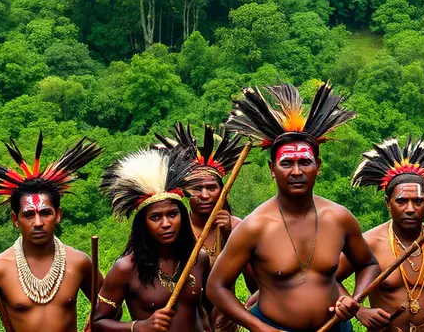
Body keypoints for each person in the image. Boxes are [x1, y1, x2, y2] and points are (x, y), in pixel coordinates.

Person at [207, 82, 381, 332]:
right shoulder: (255, 227)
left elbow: (368, 264)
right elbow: (216, 287)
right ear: (272, 170)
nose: (297, 171)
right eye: (287, 163)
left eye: (305, 162)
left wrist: (354, 299)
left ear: (318, 167)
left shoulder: (339, 218)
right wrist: (258, 327)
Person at [0, 133, 104, 332]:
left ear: (58, 215)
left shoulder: (79, 262)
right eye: (28, 215)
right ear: (14, 219)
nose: (38, 222)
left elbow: (109, 308)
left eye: (45, 213)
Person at [337, 137, 424, 332]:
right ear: (388, 203)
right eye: (402, 201)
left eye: (418, 201)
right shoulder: (370, 242)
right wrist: (360, 311)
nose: (410, 209)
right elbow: (328, 278)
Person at [93, 145, 213, 332]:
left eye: (172, 214)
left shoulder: (198, 259)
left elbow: (210, 308)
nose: (166, 223)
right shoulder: (126, 269)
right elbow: (98, 322)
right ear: (143, 224)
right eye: (156, 217)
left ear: (182, 216)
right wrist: (139, 326)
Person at [156, 123, 258, 332]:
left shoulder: (238, 227)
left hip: (224, 321)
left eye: (211, 188)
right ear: (185, 192)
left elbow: (258, 285)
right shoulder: (173, 229)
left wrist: (237, 312)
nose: (204, 195)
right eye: (196, 188)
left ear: (223, 191)